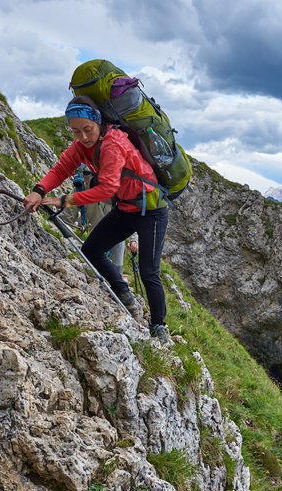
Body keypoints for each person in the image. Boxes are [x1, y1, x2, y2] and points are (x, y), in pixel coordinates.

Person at [23, 96, 171, 343]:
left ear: (99, 122)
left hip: (151, 211)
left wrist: (64, 201)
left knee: (149, 272)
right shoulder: (82, 145)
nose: (82, 136)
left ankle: (158, 327)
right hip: (125, 208)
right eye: (75, 131)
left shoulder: (113, 144)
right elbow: (62, 168)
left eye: (87, 129)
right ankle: (123, 291)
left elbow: (106, 190)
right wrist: (39, 191)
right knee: (91, 249)